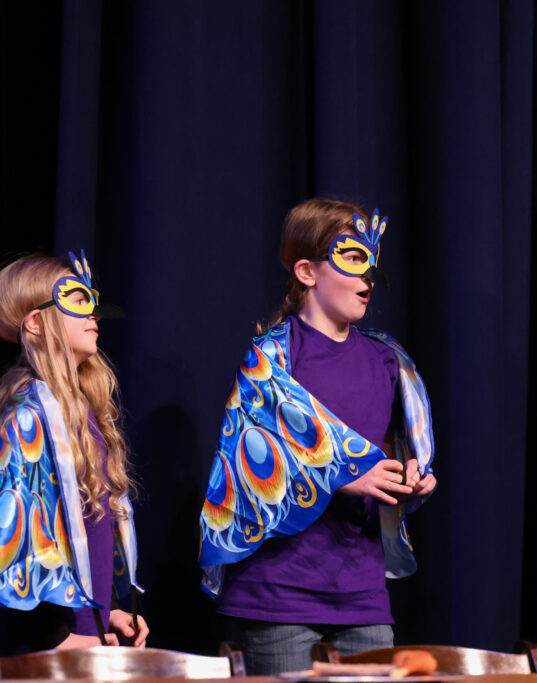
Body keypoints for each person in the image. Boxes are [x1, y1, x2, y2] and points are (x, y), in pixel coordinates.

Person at [198, 198, 437, 675]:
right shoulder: (271, 358)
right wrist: (341, 475)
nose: (369, 275)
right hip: (278, 594)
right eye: (353, 258)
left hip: (362, 594)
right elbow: (246, 468)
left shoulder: (388, 360)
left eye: (372, 261)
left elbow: (384, 453)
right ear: (307, 272)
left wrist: (411, 480)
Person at [0, 251, 148, 654]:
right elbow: (13, 545)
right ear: (36, 322)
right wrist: (58, 637)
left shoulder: (84, 410)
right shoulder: (27, 417)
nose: (92, 311)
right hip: (47, 651)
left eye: (91, 299)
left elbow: (86, 530)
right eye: (76, 300)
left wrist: (108, 611)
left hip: (87, 636)